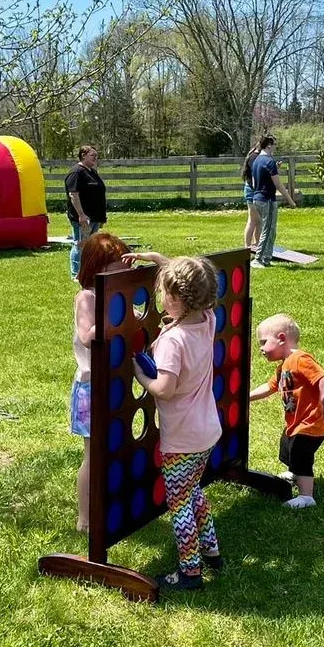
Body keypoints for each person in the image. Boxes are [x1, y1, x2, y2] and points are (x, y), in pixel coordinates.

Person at [126, 251, 223, 592]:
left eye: (163, 292)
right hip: (207, 430)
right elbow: (192, 282)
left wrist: (140, 375)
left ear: (177, 298)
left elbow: (165, 390)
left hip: (182, 438)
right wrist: (157, 259)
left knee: (178, 503)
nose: (160, 296)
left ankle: (189, 572)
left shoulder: (172, 340)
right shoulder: (207, 319)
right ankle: (211, 550)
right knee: (193, 490)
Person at [71, 232, 131, 531]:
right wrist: (114, 310)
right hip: (91, 387)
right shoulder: (88, 297)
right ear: (97, 269)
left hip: (115, 383)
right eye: (116, 269)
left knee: (116, 448)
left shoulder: (119, 296)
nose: (123, 275)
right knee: (93, 455)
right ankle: (85, 517)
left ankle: (111, 503)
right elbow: (87, 336)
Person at [250, 313, 324, 510]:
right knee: (287, 446)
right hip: (296, 423)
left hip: (310, 424)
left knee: (301, 454)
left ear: (281, 338)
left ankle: (306, 496)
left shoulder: (299, 359)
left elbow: (322, 377)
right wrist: (246, 397)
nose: (261, 349)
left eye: (263, 342)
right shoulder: (284, 366)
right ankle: (294, 473)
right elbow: (269, 387)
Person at [249, 134, 298, 269]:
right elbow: (278, 185)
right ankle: (258, 259)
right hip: (267, 200)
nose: (275, 147)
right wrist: (290, 201)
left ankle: (266, 258)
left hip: (257, 199)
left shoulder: (257, 160)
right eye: (274, 144)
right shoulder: (269, 161)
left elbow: (255, 181)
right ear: (269, 145)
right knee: (268, 230)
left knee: (270, 230)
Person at [65, 145, 107, 280]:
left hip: (95, 217)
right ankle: (76, 274)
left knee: (91, 245)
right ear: (83, 156)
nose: (96, 158)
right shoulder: (76, 172)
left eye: (96, 156)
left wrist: (101, 218)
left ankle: (88, 271)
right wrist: (81, 215)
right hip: (83, 218)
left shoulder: (92, 171)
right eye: (92, 155)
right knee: (80, 244)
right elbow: (73, 195)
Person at [241, 141, 261, 249]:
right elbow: (255, 175)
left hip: (255, 191)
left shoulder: (256, 156)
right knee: (254, 220)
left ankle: (256, 245)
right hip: (252, 191)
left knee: (258, 221)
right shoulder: (254, 157)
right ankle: (248, 246)